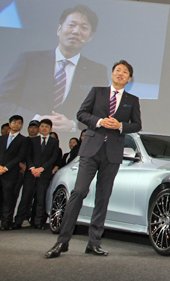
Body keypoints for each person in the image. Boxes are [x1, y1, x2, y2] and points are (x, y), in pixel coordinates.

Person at [45, 60, 142, 258]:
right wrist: (98, 121)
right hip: (91, 150)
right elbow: (81, 114)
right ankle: (62, 241)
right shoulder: (97, 91)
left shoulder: (132, 99)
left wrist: (120, 126)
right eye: (118, 70)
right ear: (112, 74)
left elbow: (137, 125)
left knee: (103, 197)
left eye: (125, 72)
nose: (121, 74)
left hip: (113, 153)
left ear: (129, 79)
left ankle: (94, 243)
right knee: (79, 191)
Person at [0, 5, 109, 132]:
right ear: (59, 29)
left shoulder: (97, 71)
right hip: (26, 137)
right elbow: (2, 101)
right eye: (71, 25)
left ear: (90, 36)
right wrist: (35, 119)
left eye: (84, 28)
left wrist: (73, 126)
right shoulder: (29, 60)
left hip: (68, 141)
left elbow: (101, 114)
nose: (76, 31)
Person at [14, 118, 60, 229]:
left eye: (46, 127)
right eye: (42, 126)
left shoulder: (54, 141)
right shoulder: (33, 140)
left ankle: (38, 222)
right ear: (39, 128)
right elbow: (28, 155)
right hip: (31, 173)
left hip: (44, 174)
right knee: (25, 197)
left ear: (50, 129)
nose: (44, 128)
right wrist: (32, 168)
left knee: (41, 198)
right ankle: (18, 221)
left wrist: (42, 169)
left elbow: (53, 157)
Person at [0, 115, 28, 230]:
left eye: (18, 123)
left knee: (8, 198)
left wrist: (6, 168)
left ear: (21, 126)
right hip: (0, 170)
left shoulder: (23, 140)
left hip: (11, 173)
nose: (16, 125)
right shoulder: (1, 138)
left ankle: (5, 223)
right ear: (9, 124)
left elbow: (20, 156)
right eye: (14, 122)